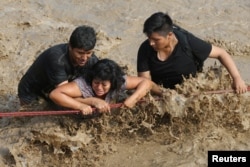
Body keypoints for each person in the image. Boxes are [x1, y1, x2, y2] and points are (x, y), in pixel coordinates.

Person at [137, 12, 247, 94]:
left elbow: (221, 53)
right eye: (149, 38)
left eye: (156, 40)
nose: (151, 43)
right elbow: (145, 82)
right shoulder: (145, 49)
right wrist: (164, 93)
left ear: (169, 35)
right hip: (162, 91)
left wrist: (237, 78)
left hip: (191, 87)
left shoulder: (189, 43)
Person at [18, 25, 99, 108]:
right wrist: (91, 102)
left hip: (53, 88)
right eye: (80, 53)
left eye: (88, 53)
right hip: (31, 90)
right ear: (70, 46)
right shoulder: (56, 59)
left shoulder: (92, 60)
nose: (84, 58)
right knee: (29, 118)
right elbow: (63, 94)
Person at [49, 58, 162, 115]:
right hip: (72, 111)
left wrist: (133, 99)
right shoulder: (83, 84)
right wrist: (83, 105)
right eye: (96, 83)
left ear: (112, 83)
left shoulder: (118, 81)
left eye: (104, 85)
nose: (99, 88)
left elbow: (147, 83)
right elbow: (55, 94)